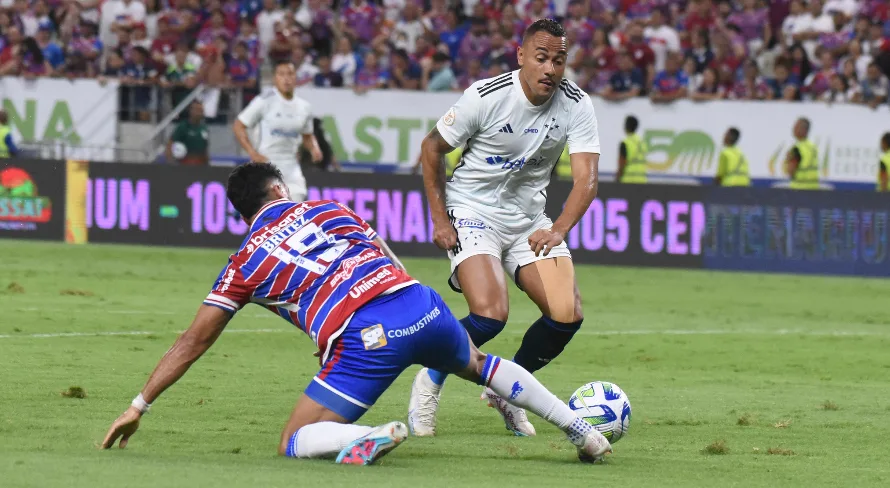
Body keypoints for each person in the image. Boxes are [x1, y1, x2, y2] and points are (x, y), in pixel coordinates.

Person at [99, 163, 612, 466]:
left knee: (292, 441)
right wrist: (411, 307)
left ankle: (365, 437)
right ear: (279, 190)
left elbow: (193, 341)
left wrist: (139, 405)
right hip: (418, 301)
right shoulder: (327, 208)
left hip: (365, 335)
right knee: (478, 364)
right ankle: (582, 432)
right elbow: (386, 255)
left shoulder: (243, 264)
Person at [413, 19, 601, 437]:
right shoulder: (486, 97)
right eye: (542, 58)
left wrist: (560, 229)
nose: (551, 68)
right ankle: (430, 377)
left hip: (529, 221)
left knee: (567, 314)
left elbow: (587, 179)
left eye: (559, 59)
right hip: (471, 210)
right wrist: (440, 217)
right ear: (521, 56)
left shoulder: (577, 104)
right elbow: (431, 147)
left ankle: (507, 391)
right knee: (491, 313)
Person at [233, 60, 323, 202]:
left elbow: (307, 135)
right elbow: (239, 125)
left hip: (291, 166)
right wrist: (252, 152)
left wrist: (314, 149)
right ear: (275, 78)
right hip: (267, 165)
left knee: (296, 207)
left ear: (295, 78)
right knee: (269, 213)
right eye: (281, 74)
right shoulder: (264, 101)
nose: (286, 78)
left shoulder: (304, 107)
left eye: (290, 74)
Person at [166, 101, 209, 166]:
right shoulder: (183, 127)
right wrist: (171, 163)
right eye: (198, 110)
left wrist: (207, 164)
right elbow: (170, 144)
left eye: (201, 110)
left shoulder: (204, 128)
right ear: (191, 111)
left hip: (200, 165)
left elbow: (205, 149)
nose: (200, 113)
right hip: (184, 165)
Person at [784, 117, 820, 190]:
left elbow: (790, 171)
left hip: (799, 189)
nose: (793, 129)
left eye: (796, 127)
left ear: (804, 130)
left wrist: (788, 160)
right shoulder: (813, 147)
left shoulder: (797, 149)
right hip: (814, 188)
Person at [617, 115, 647, 184]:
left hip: (628, 180)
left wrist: (617, 179)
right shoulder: (642, 143)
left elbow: (622, 164)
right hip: (642, 180)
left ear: (626, 126)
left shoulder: (625, 143)